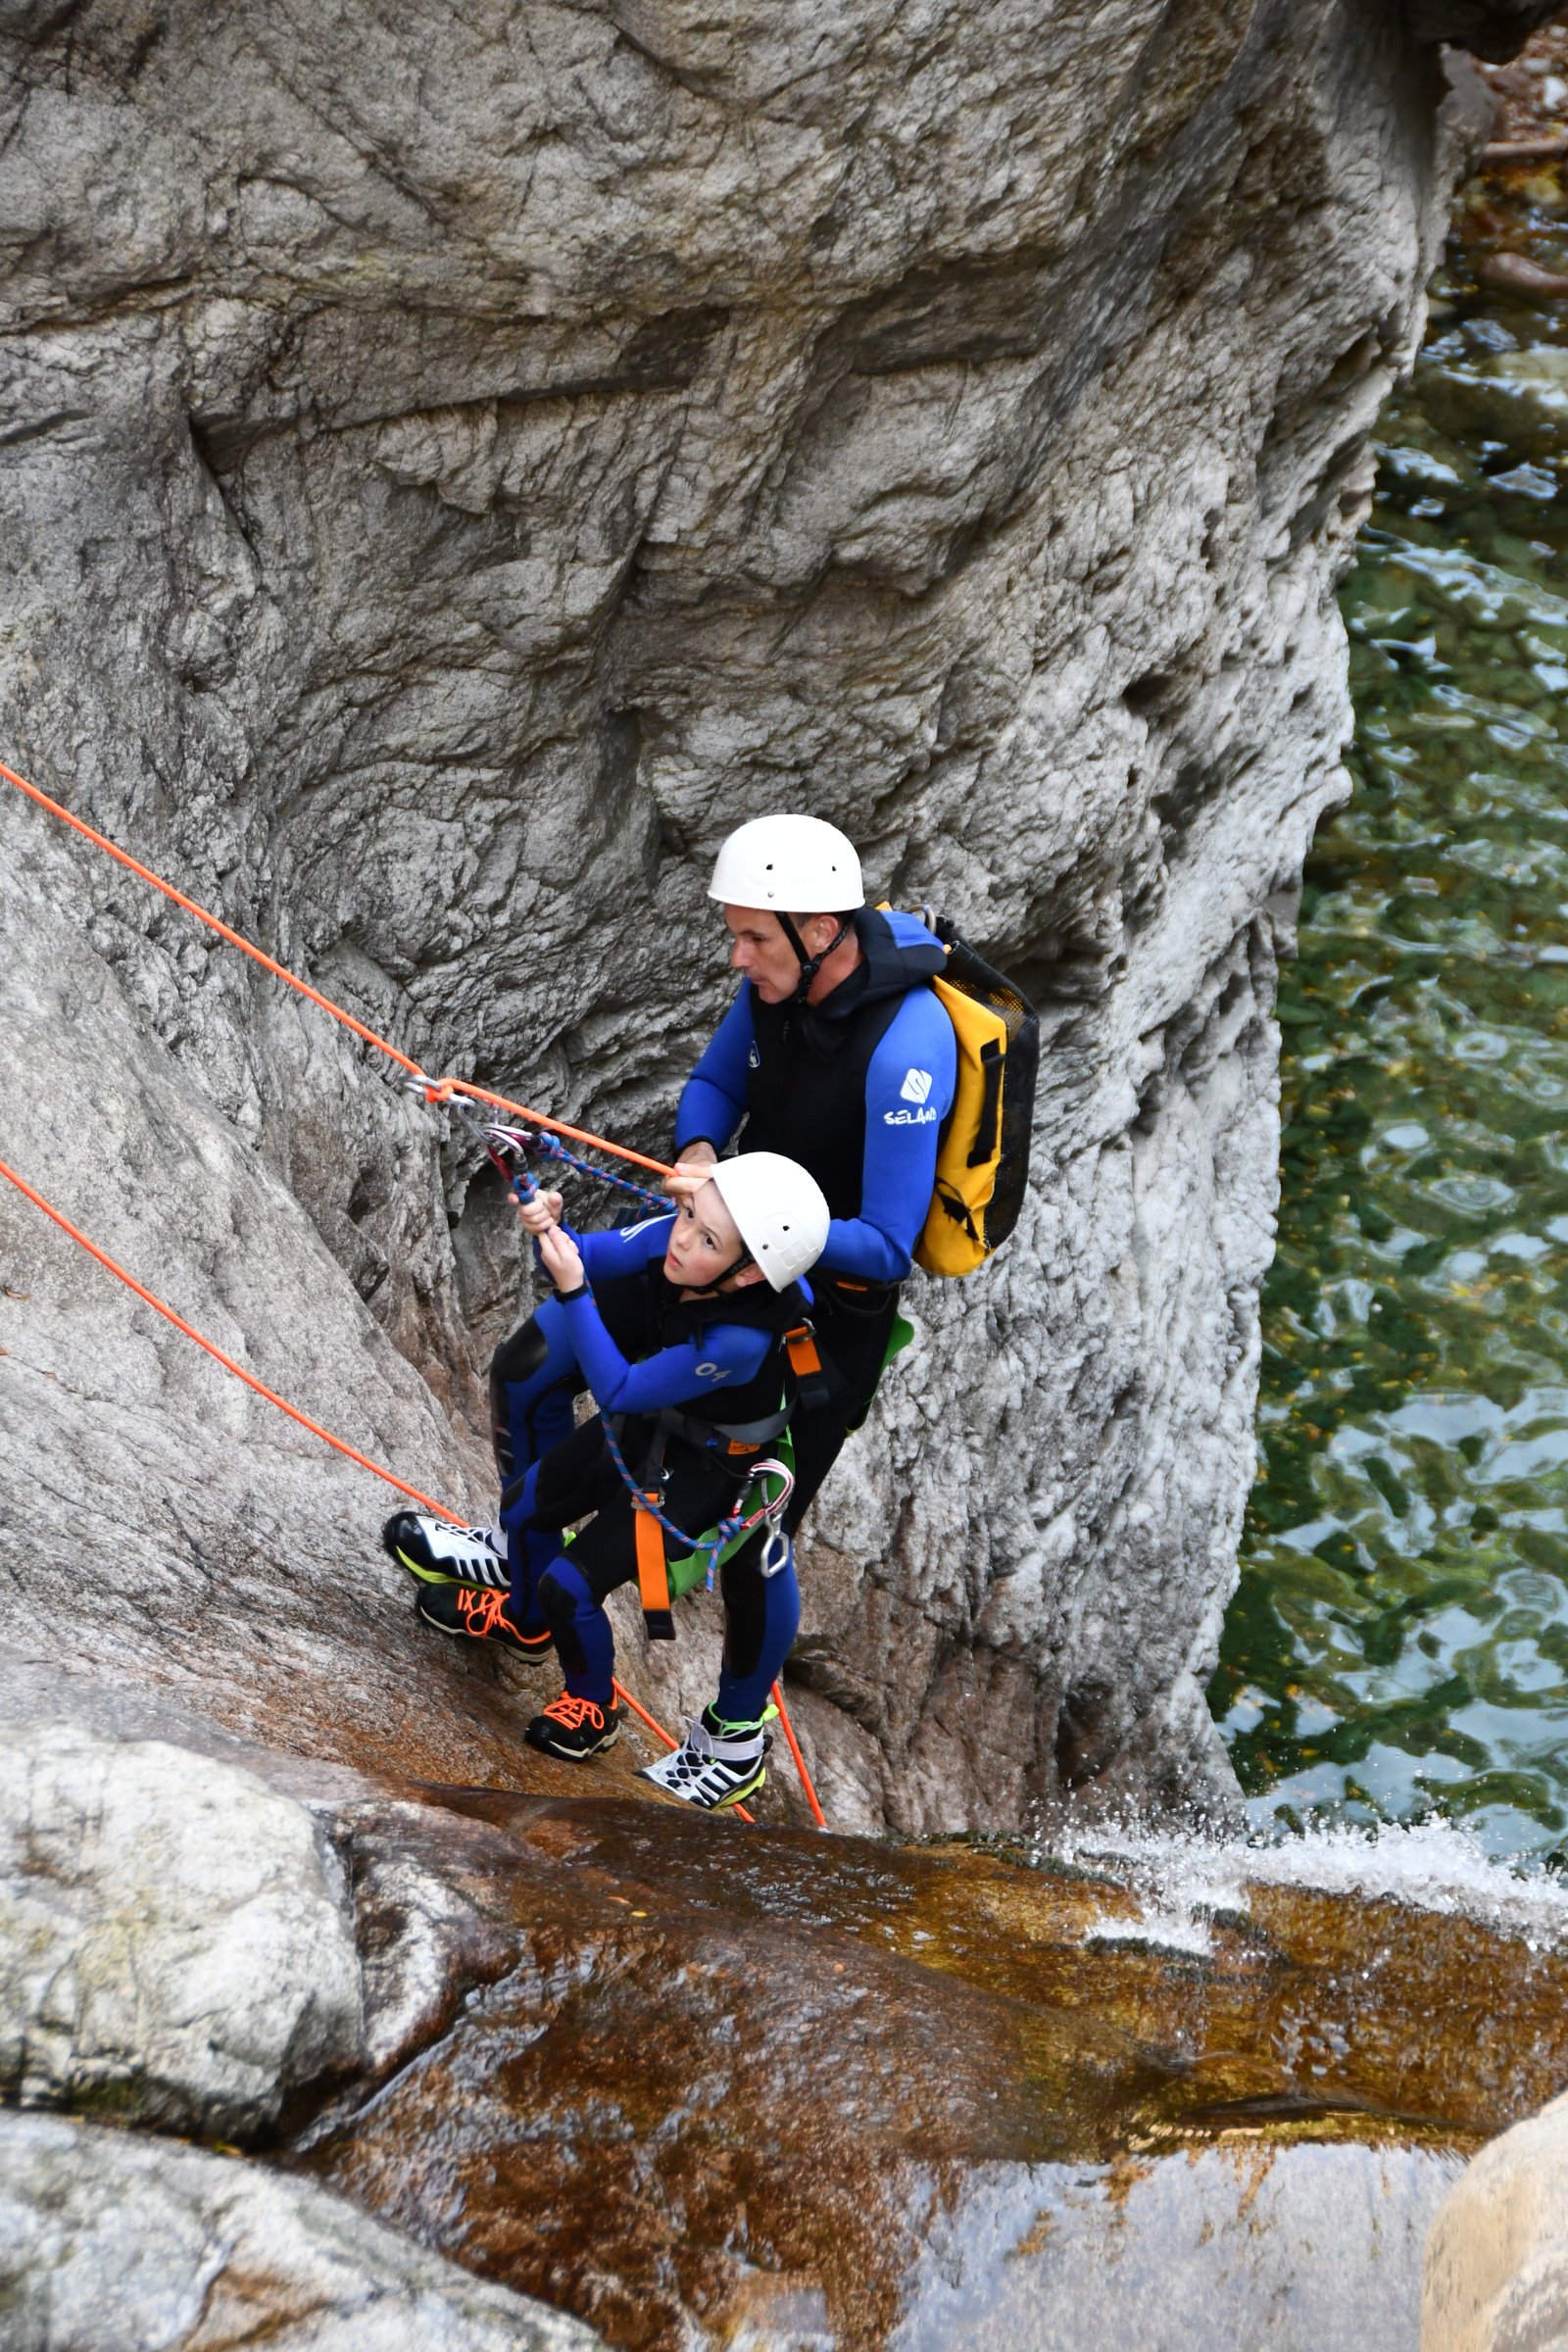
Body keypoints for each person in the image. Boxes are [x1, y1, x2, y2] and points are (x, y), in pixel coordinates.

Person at [386, 1152, 830, 1809]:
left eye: (708, 1239)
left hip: (703, 1468)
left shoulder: (740, 1340)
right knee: (523, 1509)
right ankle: (523, 1619)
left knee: (571, 1585)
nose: (681, 1239)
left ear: (750, 1273)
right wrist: (552, 1230)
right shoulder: (683, 1242)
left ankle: (591, 1709)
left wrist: (570, 1287)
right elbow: (578, 1259)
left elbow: (618, 1387)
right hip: (654, 1429)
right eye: (687, 1215)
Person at [670, 813, 956, 1534]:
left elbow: (890, 1246)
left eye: (755, 938)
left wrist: (751, 1221)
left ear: (821, 932)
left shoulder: (905, 1051)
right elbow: (716, 1084)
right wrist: (702, 1151)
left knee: (756, 1534)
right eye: (737, 934)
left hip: (831, 1320)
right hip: (742, 1256)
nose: (738, 957)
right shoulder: (781, 985)